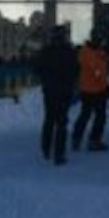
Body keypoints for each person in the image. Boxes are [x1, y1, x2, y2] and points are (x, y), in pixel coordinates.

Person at [34, 24, 78, 165]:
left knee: (49, 120)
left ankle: (46, 149)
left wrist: (46, 80)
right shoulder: (69, 52)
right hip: (64, 91)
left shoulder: (46, 51)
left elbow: (37, 69)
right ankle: (59, 154)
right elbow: (76, 71)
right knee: (61, 122)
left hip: (50, 90)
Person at [70, 34, 109, 152]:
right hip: (95, 89)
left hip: (88, 89)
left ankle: (77, 138)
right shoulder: (90, 53)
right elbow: (97, 71)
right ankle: (93, 140)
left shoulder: (90, 52)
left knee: (86, 114)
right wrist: (105, 86)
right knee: (98, 116)